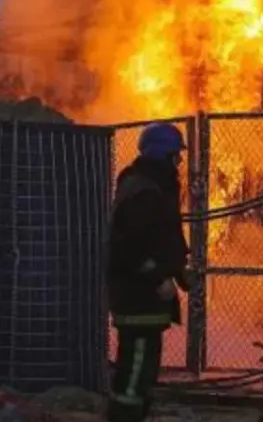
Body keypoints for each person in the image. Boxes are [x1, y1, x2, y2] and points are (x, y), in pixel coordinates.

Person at [106, 123, 191, 422]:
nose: (179, 162)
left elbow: (162, 239)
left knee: (141, 371)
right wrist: (158, 278)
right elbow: (128, 250)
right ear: (163, 154)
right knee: (135, 371)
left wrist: (180, 273)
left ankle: (134, 414)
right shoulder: (145, 192)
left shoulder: (151, 187)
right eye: (175, 155)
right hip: (138, 298)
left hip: (144, 300)